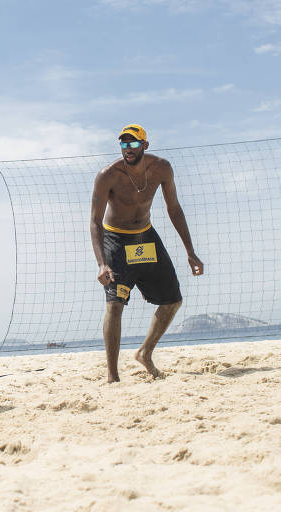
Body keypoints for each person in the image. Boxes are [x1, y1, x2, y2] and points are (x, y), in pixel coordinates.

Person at [90, 124, 204, 383]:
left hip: (145, 236)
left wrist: (190, 251)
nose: (127, 149)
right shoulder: (107, 175)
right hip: (116, 241)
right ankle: (112, 376)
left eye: (132, 144)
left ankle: (145, 353)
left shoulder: (162, 168)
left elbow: (174, 209)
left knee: (172, 301)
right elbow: (95, 222)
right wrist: (101, 263)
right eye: (123, 144)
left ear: (145, 145)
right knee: (115, 304)